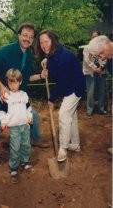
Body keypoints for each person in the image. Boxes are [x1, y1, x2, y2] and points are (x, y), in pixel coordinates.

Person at [0, 22, 48, 181]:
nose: (27, 39)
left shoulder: (29, 56)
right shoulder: (5, 51)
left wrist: (40, 76)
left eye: (31, 37)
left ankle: (34, 139)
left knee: (33, 116)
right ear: (19, 35)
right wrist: (2, 87)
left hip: (17, 96)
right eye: (25, 35)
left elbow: (26, 78)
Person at [35, 29, 85, 162]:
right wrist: (46, 61)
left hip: (74, 87)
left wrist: (51, 99)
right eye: (41, 43)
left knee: (63, 114)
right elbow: (52, 61)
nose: (44, 45)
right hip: (69, 86)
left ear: (53, 41)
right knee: (71, 116)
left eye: (46, 41)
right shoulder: (54, 53)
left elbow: (62, 84)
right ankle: (75, 144)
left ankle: (63, 148)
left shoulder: (63, 57)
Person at [0, 69, 33, 183]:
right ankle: (13, 168)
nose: (13, 85)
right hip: (14, 127)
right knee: (15, 147)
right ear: (7, 82)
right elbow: (0, 111)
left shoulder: (24, 95)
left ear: (20, 82)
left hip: (25, 125)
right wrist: (3, 122)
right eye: (10, 83)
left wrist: (30, 116)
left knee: (26, 145)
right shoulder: (6, 96)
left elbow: (28, 108)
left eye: (15, 82)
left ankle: (25, 162)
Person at [83, 31, 107, 117]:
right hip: (90, 72)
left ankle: (101, 109)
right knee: (90, 92)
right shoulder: (87, 48)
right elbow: (87, 60)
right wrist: (95, 68)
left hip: (101, 71)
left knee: (101, 91)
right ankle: (90, 110)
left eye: (96, 37)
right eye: (93, 37)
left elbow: (105, 58)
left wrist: (101, 67)